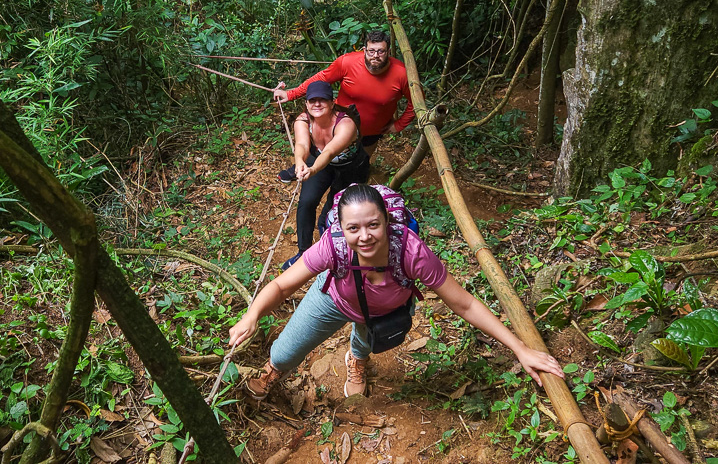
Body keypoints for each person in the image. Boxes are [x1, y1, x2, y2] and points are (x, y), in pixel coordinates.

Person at [228, 184, 564, 401]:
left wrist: (520, 349)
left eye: (373, 224)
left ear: (387, 221)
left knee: (366, 338)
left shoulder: (411, 252)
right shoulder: (333, 246)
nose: (365, 236)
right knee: (286, 351)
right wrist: (252, 315)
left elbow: (464, 303)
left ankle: (356, 359)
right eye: (353, 228)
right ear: (341, 229)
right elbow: (283, 284)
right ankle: (275, 370)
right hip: (335, 299)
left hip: (384, 309)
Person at [273, 30, 414, 179]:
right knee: (327, 152)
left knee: (358, 166)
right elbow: (322, 78)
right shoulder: (347, 62)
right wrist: (291, 94)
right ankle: (302, 169)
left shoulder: (401, 73)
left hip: (372, 132)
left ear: (389, 51)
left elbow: (416, 102)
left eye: (381, 51)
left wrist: (399, 125)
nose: (375, 56)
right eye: (371, 51)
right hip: (338, 123)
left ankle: (349, 186)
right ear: (364, 50)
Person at [281, 80, 367, 270]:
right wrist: (300, 162)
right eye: (312, 101)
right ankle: (303, 252)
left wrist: (311, 170)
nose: (317, 104)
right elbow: (302, 145)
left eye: (322, 100)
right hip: (321, 164)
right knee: (307, 202)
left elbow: (328, 152)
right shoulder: (303, 120)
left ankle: (329, 249)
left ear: (333, 102)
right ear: (306, 104)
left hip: (351, 168)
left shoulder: (346, 123)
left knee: (335, 209)